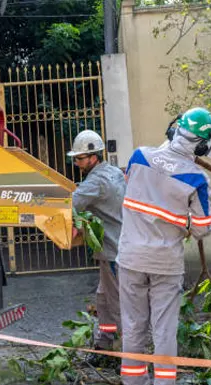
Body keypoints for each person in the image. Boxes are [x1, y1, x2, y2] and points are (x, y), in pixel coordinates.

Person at [117, 107, 211, 385]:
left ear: (174, 130)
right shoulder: (196, 178)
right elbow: (203, 229)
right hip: (164, 264)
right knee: (163, 333)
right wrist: (182, 222)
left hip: (130, 258)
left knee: (133, 330)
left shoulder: (138, 156)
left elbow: (132, 191)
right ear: (202, 146)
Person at [68, 130, 126, 361]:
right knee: (103, 298)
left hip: (113, 251)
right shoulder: (113, 173)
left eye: (80, 158)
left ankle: (127, 352)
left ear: (93, 157)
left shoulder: (96, 181)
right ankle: (105, 344)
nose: (76, 163)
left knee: (117, 301)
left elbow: (71, 204)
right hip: (115, 249)